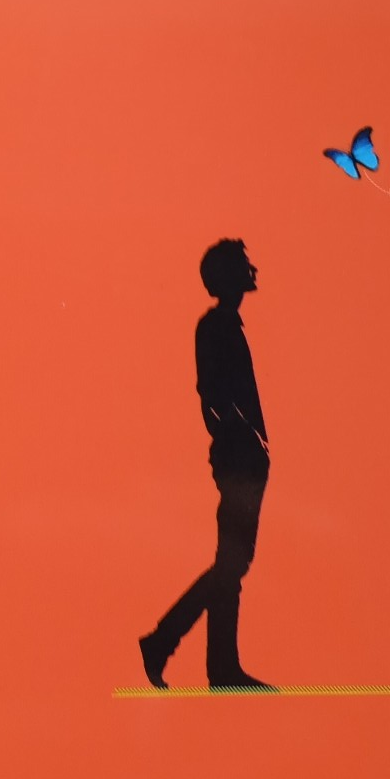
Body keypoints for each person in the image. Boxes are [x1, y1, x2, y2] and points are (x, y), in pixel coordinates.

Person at [139, 239, 275, 691]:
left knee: (232, 563)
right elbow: (212, 394)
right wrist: (243, 435)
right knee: (232, 563)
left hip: (245, 455)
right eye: (244, 265)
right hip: (238, 457)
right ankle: (166, 644)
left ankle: (219, 666)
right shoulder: (216, 327)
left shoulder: (226, 325)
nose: (253, 270)